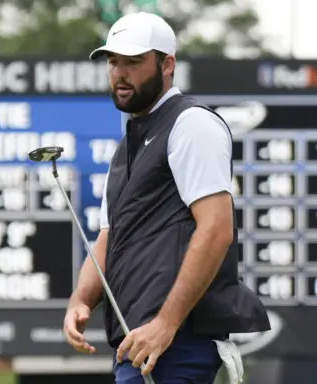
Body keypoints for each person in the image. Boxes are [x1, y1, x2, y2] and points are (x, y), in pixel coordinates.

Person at [63, 11, 270, 384]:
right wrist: (81, 299)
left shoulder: (191, 124)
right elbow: (109, 239)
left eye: (134, 62)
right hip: (140, 343)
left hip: (176, 341)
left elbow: (217, 230)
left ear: (167, 64)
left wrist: (166, 323)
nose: (119, 73)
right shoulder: (127, 147)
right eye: (113, 62)